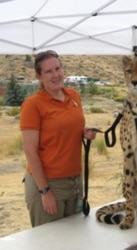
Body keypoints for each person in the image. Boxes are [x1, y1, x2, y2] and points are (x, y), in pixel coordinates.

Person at [20, 50, 96, 227]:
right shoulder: (33, 104)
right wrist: (45, 191)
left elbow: (64, 128)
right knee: (51, 242)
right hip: (48, 183)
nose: (56, 75)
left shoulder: (73, 96)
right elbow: (30, 152)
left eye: (58, 69)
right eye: (49, 71)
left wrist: (83, 132)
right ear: (39, 76)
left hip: (75, 182)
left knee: (74, 237)